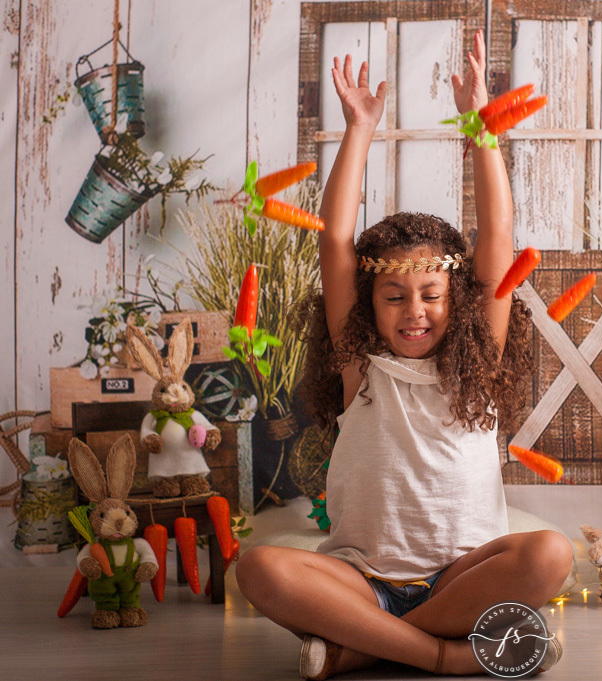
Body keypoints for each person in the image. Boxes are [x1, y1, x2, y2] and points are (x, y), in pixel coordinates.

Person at [237, 30, 574, 679]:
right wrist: (359, 128)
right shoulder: (358, 363)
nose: (413, 311)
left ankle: (361, 647)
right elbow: (334, 238)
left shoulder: (478, 363)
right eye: (393, 296)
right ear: (370, 303)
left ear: (461, 300)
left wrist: (482, 128)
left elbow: (497, 235)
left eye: (429, 294)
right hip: (359, 577)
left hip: (461, 577)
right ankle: (446, 656)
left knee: (550, 555)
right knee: (258, 566)